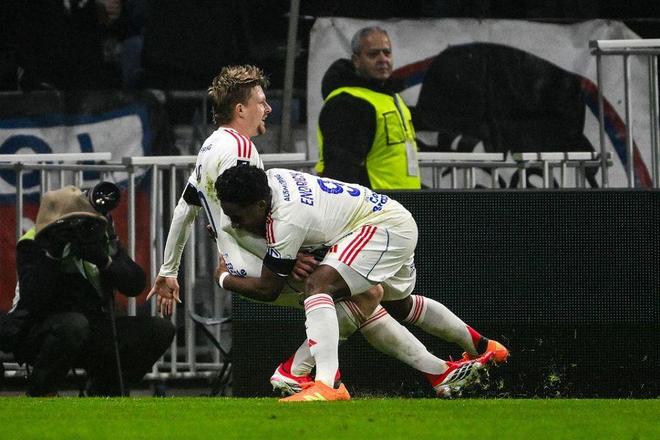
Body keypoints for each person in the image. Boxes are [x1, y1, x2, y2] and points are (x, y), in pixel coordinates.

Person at [145, 65, 484, 399]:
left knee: (364, 296)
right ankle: (309, 376)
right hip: (256, 263)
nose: (268, 108)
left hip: (243, 262)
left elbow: (185, 209)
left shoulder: (210, 146)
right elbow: (241, 216)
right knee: (364, 295)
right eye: (261, 102)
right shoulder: (242, 151)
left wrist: (168, 270)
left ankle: (438, 371)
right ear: (240, 109)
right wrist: (280, 257)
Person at [214, 165, 509, 401]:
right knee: (398, 304)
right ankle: (482, 347)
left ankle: (325, 384)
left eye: (238, 216)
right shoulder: (271, 180)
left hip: (380, 227)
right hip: (391, 219)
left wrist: (223, 278)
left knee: (319, 285)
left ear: (261, 204)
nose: (235, 223)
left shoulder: (287, 220)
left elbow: (268, 289)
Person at [0, 185, 175, 396]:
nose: (78, 229)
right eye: (71, 224)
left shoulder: (99, 239)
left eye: (85, 222)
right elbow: (33, 300)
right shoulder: (33, 242)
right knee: (74, 324)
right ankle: (41, 392)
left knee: (159, 329)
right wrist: (55, 253)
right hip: (38, 331)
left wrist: (105, 260)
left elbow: (135, 284)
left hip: (91, 329)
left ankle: (104, 389)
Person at [315, 26, 421, 189]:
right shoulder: (347, 103)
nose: (383, 59)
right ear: (356, 60)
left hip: (399, 201)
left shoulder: (391, 97)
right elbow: (341, 172)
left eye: (387, 53)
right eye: (373, 54)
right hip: (374, 202)